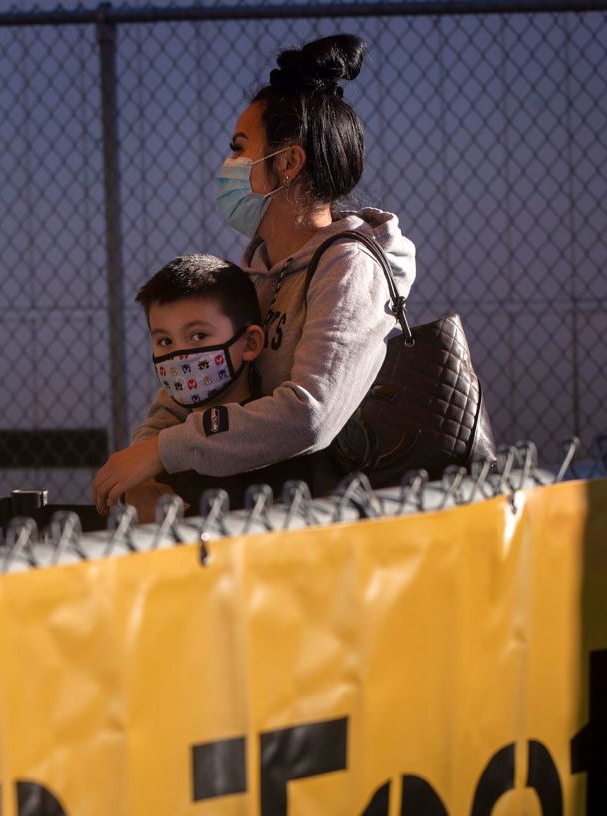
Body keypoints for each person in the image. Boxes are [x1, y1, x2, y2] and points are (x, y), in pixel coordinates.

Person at [92, 33, 416, 515]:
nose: (228, 165)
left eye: (240, 149)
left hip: (330, 525)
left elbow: (310, 414)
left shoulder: (349, 267)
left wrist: (164, 452)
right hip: (256, 518)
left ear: (287, 162)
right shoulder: (255, 273)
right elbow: (183, 394)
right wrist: (148, 470)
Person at [120, 253, 268, 520]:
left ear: (249, 343)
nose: (179, 356)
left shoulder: (273, 446)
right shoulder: (154, 461)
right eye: (165, 341)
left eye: (198, 336)